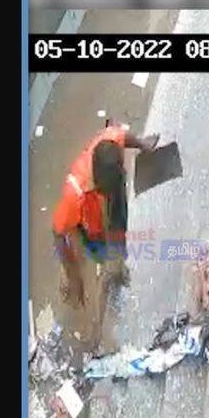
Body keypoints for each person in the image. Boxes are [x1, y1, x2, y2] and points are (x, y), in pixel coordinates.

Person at [52, 123, 158, 307]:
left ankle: (116, 268)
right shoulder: (73, 196)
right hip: (85, 212)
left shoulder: (109, 143)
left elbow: (123, 136)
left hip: (108, 195)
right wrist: (72, 273)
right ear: (98, 182)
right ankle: (74, 279)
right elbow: (58, 234)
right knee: (87, 247)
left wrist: (142, 144)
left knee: (117, 236)